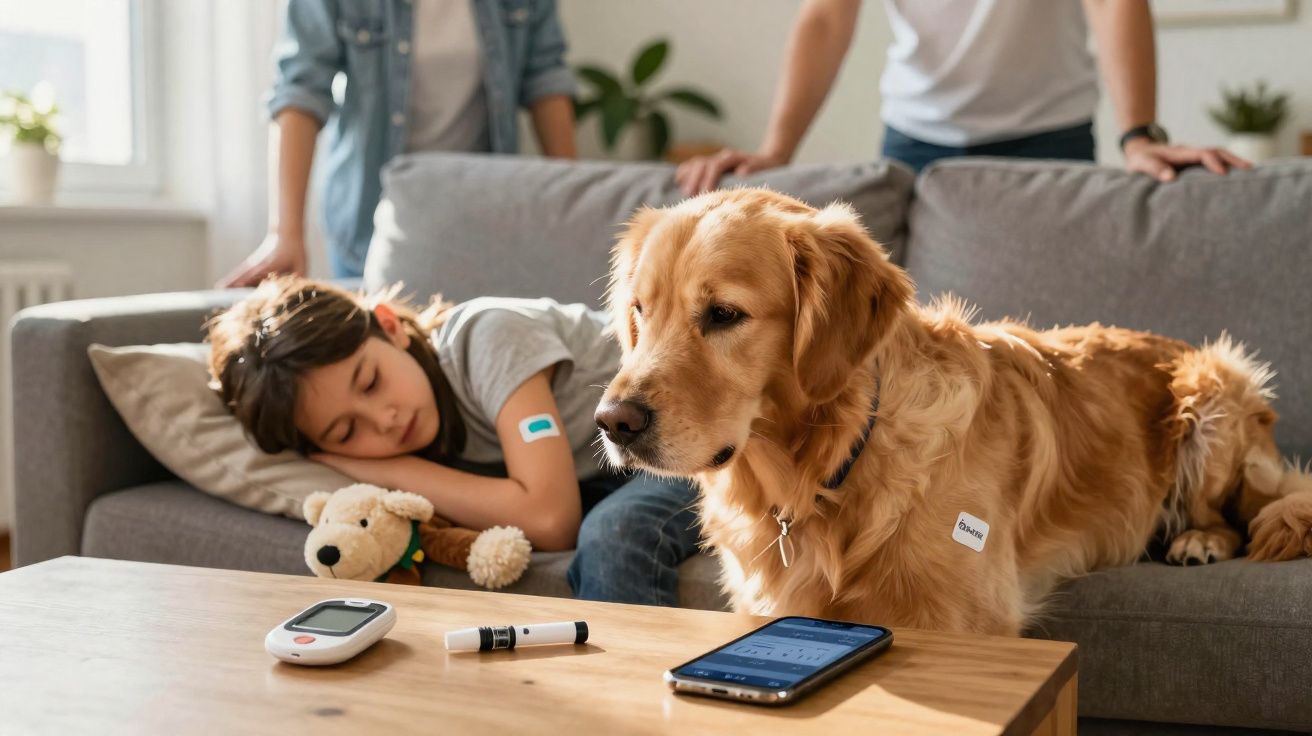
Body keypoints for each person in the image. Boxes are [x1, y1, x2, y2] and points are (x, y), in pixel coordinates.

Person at [207, 276, 702, 606]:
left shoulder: (486, 336)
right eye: (346, 431)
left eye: (371, 381)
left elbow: (552, 519)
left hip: (668, 441)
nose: (385, 419)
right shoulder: (407, 421)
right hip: (592, 472)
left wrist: (386, 470)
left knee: (616, 534)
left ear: (389, 326)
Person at [677, 0, 1249, 195]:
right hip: (916, 143)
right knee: (914, 349)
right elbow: (828, 17)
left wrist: (1139, 136)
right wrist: (776, 149)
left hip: (1051, 136)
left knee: (1049, 350)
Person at [220, 0, 578, 287]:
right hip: (369, 220)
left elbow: (545, 79)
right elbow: (300, 90)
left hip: (481, 223)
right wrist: (285, 234)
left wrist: (575, 210)